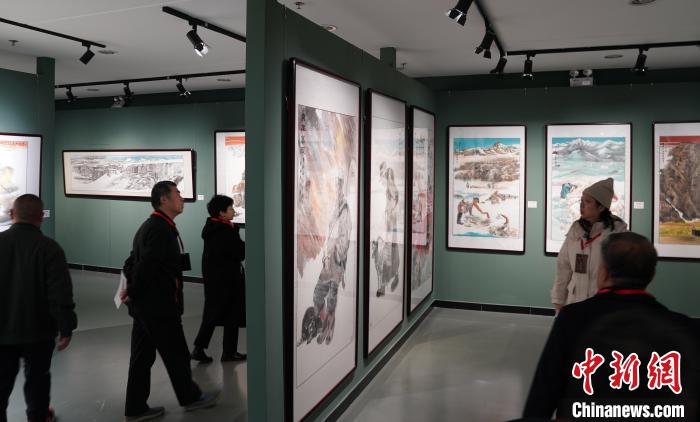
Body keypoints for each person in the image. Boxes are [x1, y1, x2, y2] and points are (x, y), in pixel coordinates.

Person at [524, 232, 700, 420]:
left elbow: (544, 391)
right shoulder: (683, 327)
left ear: (604, 273)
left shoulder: (572, 319)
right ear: (652, 275)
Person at [123, 181, 218, 421]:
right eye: (177, 194)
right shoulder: (159, 229)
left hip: (145, 307)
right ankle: (190, 398)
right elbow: (145, 266)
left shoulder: (153, 226)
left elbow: (131, 262)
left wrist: (132, 293)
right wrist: (132, 291)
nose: (182, 198)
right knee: (177, 354)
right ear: (163, 199)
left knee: (141, 358)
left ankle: (135, 408)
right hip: (158, 307)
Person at [0, 194, 77, 422]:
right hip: (39, 332)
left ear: (12, 214)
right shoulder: (50, 249)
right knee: (38, 380)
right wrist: (66, 327)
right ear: (41, 217)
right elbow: (60, 293)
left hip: (2, 332)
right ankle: (38, 416)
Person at [551, 178, 627, 312]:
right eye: (581, 200)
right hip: (574, 303)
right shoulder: (575, 229)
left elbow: (623, 274)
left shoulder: (617, 233)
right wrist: (558, 299)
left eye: (587, 202)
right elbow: (563, 266)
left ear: (601, 207)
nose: (581, 205)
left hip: (602, 306)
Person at [191, 195, 246, 363]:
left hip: (217, 279)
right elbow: (240, 253)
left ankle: (208, 349)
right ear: (222, 213)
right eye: (230, 208)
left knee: (215, 314)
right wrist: (236, 234)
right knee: (230, 315)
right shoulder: (224, 231)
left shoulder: (214, 228)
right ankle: (227, 352)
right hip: (226, 280)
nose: (234, 211)